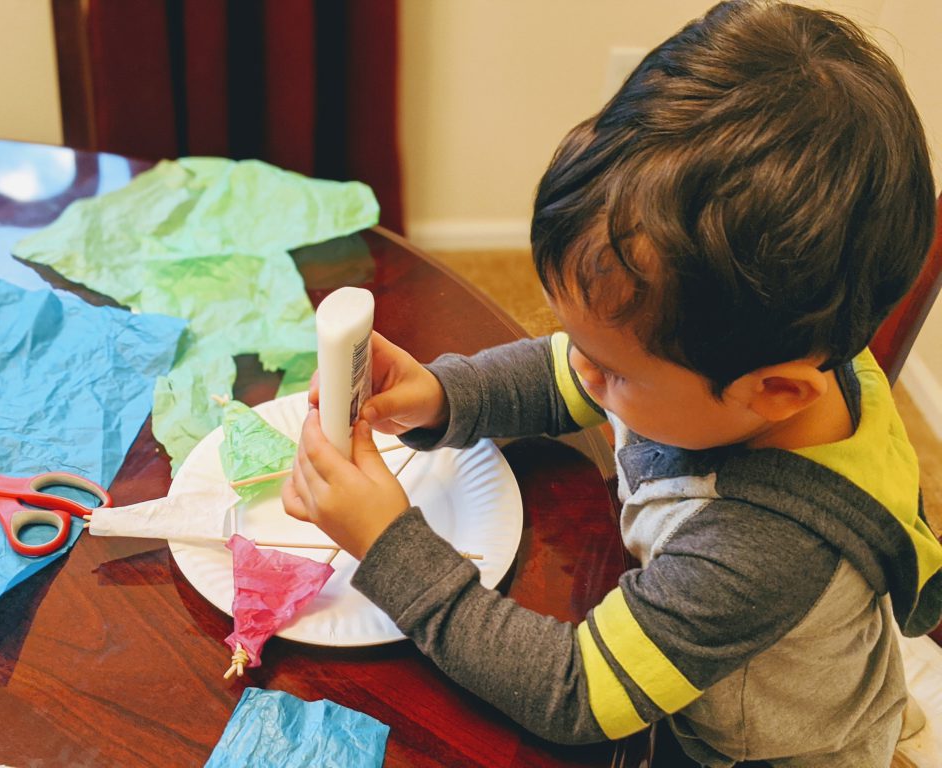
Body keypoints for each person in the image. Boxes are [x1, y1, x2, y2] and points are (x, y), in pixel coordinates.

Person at [281, 1, 941, 765]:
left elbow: (573, 693)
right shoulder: (758, 351)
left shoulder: (761, 550)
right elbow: (573, 370)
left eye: (615, 369)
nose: (583, 371)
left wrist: (390, 547)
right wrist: (443, 394)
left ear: (777, 392)